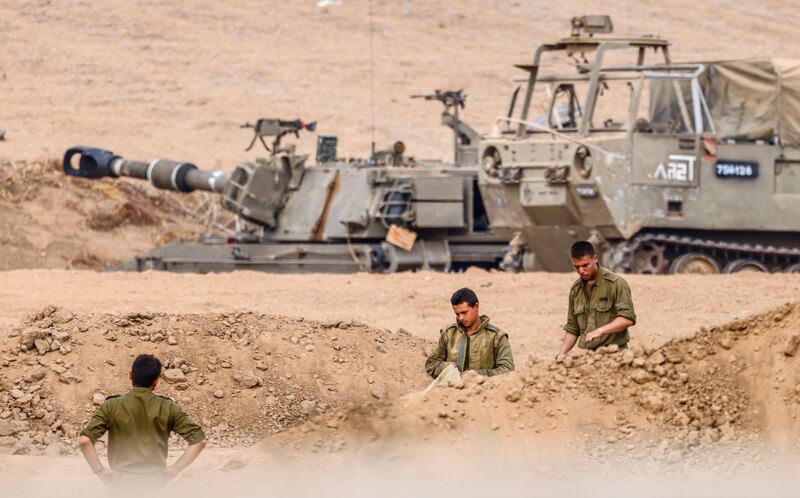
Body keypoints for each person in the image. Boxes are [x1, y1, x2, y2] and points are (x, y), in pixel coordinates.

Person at [78, 354, 206, 489]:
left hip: (121, 483)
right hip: (155, 482)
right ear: (156, 382)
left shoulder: (111, 406)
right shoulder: (168, 407)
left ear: (131, 375)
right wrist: (173, 471)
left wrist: (101, 472)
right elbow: (199, 441)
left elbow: (84, 441)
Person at [555, 241, 637, 361]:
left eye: (585, 265)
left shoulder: (616, 284)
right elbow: (573, 328)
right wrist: (560, 354)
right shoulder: (576, 289)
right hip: (587, 358)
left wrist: (600, 331)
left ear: (595, 259)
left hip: (615, 356)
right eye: (576, 267)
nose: (581, 271)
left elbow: (627, 318)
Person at [425, 288, 514, 380]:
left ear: (476, 307)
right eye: (457, 314)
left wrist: (477, 375)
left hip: (483, 390)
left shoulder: (497, 337)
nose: (461, 318)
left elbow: (507, 370)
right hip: (452, 390)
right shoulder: (449, 333)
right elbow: (431, 364)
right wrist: (445, 367)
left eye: (464, 313)